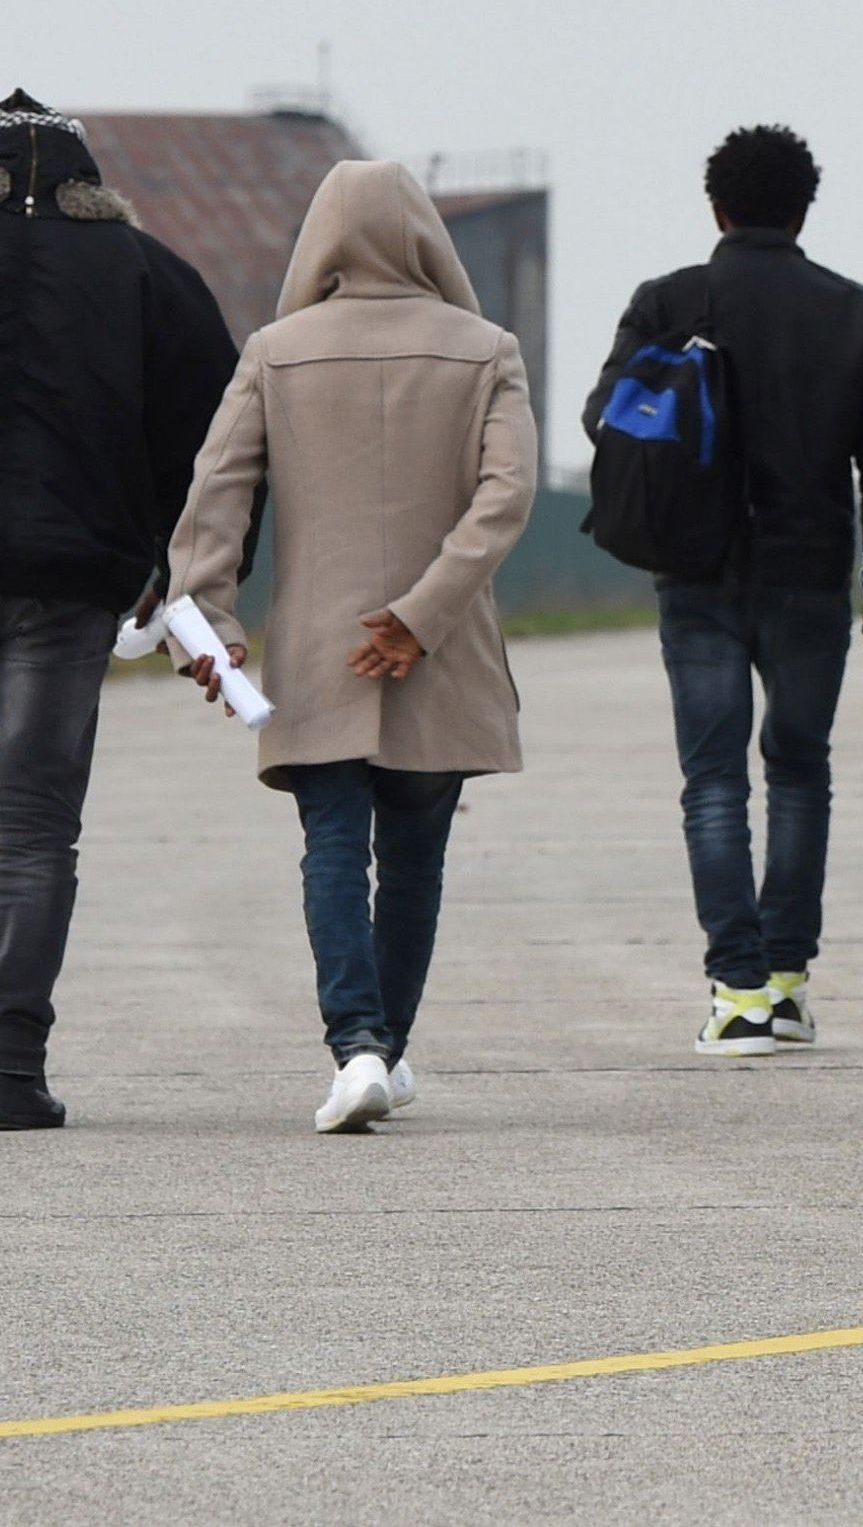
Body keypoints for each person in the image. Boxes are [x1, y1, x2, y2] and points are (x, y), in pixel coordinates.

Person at [169, 161, 539, 1133]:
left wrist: (209, 621)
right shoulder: (486, 347)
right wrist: (423, 612)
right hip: (443, 644)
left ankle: (359, 1048)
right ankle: (387, 1047)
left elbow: (217, 496)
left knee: (333, 844)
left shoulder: (277, 351)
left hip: (321, 649)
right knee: (417, 856)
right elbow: (506, 496)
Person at [590, 127, 863, 1058]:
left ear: (716, 207)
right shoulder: (853, 310)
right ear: (803, 210)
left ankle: (736, 994)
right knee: (801, 769)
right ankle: (789, 982)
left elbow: (603, 415)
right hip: (809, 572)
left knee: (713, 778)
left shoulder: (667, 300)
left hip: (695, 569)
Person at [0, 91, 234, 1131]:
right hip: (72, 580)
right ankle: (8, 1069)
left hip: (72, 567)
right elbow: (219, 432)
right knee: (35, 825)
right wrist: (172, 562)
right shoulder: (148, 272)